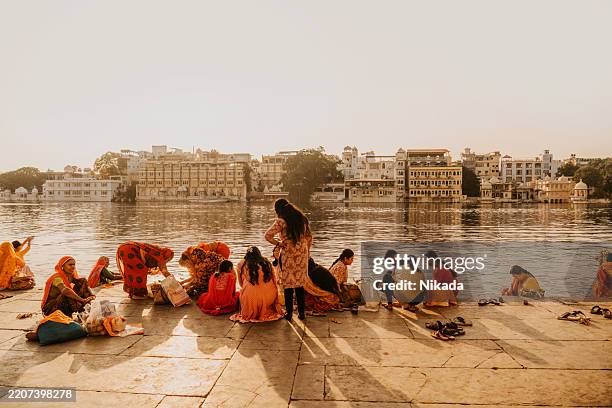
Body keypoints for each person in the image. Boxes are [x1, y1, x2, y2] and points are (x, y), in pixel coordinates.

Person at [265, 198, 312, 321]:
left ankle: (289, 314)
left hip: (289, 253)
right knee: (300, 283)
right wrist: (308, 252)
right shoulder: (302, 218)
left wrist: (279, 243)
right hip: (302, 252)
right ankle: (302, 313)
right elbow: (309, 237)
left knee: (288, 284)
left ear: (278, 210)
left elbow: (267, 235)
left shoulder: (281, 221)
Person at [230, 247, 284, 323]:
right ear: (259, 253)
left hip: (251, 299)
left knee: (244, 291)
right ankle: (265, 307)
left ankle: (254, 307)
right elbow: (274, 279)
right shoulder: (266, 262)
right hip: (269, 297)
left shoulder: (241, 264)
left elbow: (241, 283)